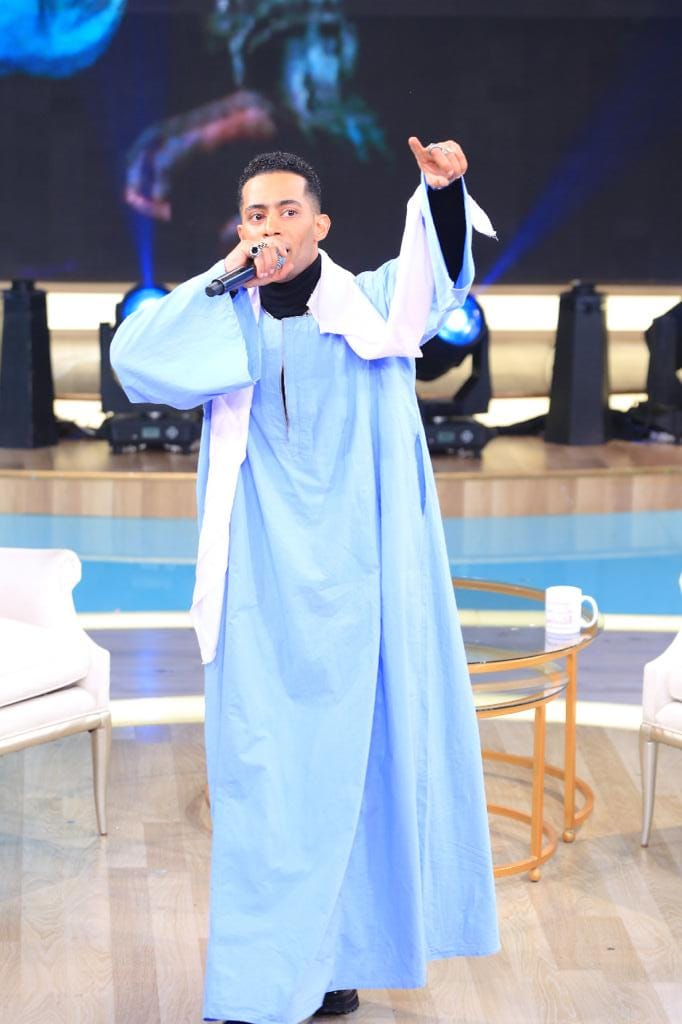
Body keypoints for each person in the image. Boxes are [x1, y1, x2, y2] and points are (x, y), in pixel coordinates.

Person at [111, 136, 500, 1024]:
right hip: (260, 587)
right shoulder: (221, 320)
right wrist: (226, 274)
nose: (272, 227)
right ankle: (257, 987)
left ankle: (335, 966)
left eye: (289, 211)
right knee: (264, 780)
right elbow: (136, 360)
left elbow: (437, 286)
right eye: (256, 215)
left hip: (364, 582)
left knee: (359, 777)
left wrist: (444, 194)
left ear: (320, 225)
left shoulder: (370, 306)